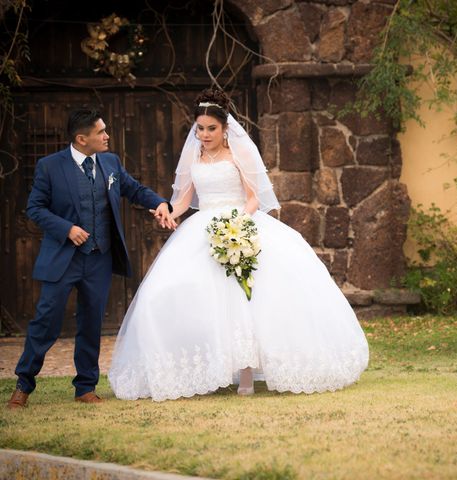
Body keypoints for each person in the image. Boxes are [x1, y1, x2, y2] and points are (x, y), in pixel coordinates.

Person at [108, 88, 369, 400]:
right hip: (203, 229)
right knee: (185, 298)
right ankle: (211, 368)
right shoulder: (194, 156)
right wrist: (167, 210)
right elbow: (184, 201)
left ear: (224, 128)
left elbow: (253, 197)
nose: (204, 135)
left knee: (246, 299)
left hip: (240, 224)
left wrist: (238, 224)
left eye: (211, 129)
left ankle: (246, 372)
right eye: (200, 129)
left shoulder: (238, 153)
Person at [6, 109, 176, 409]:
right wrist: (66, 228)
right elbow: (34, 208)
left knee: (91, 322)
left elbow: (133, 190)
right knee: (45, 322)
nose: (107, 136)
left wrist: (160, 202)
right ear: (81, 139)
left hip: (99, 259)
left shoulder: (110, 163)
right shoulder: (50, 167)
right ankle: (23, 385)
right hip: (63, 259)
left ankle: (85, 386)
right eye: (101, 132)